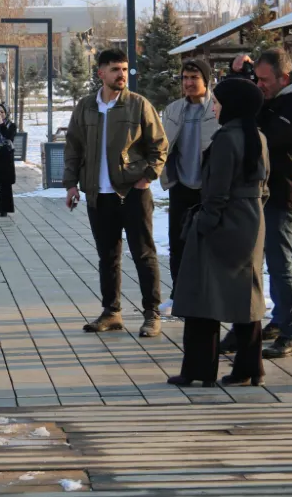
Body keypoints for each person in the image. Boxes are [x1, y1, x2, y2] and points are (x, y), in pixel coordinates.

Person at [168, 78, 270, 388]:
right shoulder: (259, 137)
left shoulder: (227, 139)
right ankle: (249, 368)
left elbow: (217, 190)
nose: (214, 107)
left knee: (202, 295)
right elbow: (265, 186)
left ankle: (199, 369)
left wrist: (205, 224)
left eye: (219, 102)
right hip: (251, 222)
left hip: (223, 222)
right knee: (244, 296)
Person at [63, 49, 169, 338]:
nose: (121, 74)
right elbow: (73, 148)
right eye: (114, 69)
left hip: (132, 193)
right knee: (107, 256)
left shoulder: (138, 105)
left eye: (124, 69)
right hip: (99, 195)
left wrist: (146, 178)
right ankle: (112, 312)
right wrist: (71, 184)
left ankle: (152, 313)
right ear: (101, 73)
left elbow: (159, 146)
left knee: (143, 254)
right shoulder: (86, 107)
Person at [224, 49, 292, 359]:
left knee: (280, 265)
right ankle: (266, 325)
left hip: (284, 195)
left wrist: (253, 102)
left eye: (264, 80)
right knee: (255, 264)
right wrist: (241, 77)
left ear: (285, 78)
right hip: (262, 193)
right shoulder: (278, 98)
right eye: (257, 79)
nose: (259, 85)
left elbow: (262, 134)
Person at [159, 59, 219, 308]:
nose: (189, 83)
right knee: (178, 242)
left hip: (209, 188)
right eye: (185, 78)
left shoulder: (217, 109)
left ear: (206, 80)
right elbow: (162, 145)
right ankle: (178, 294)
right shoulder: (173, 110)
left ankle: (208, 295)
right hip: (180, 184)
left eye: (194, 77)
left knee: (208, 244)